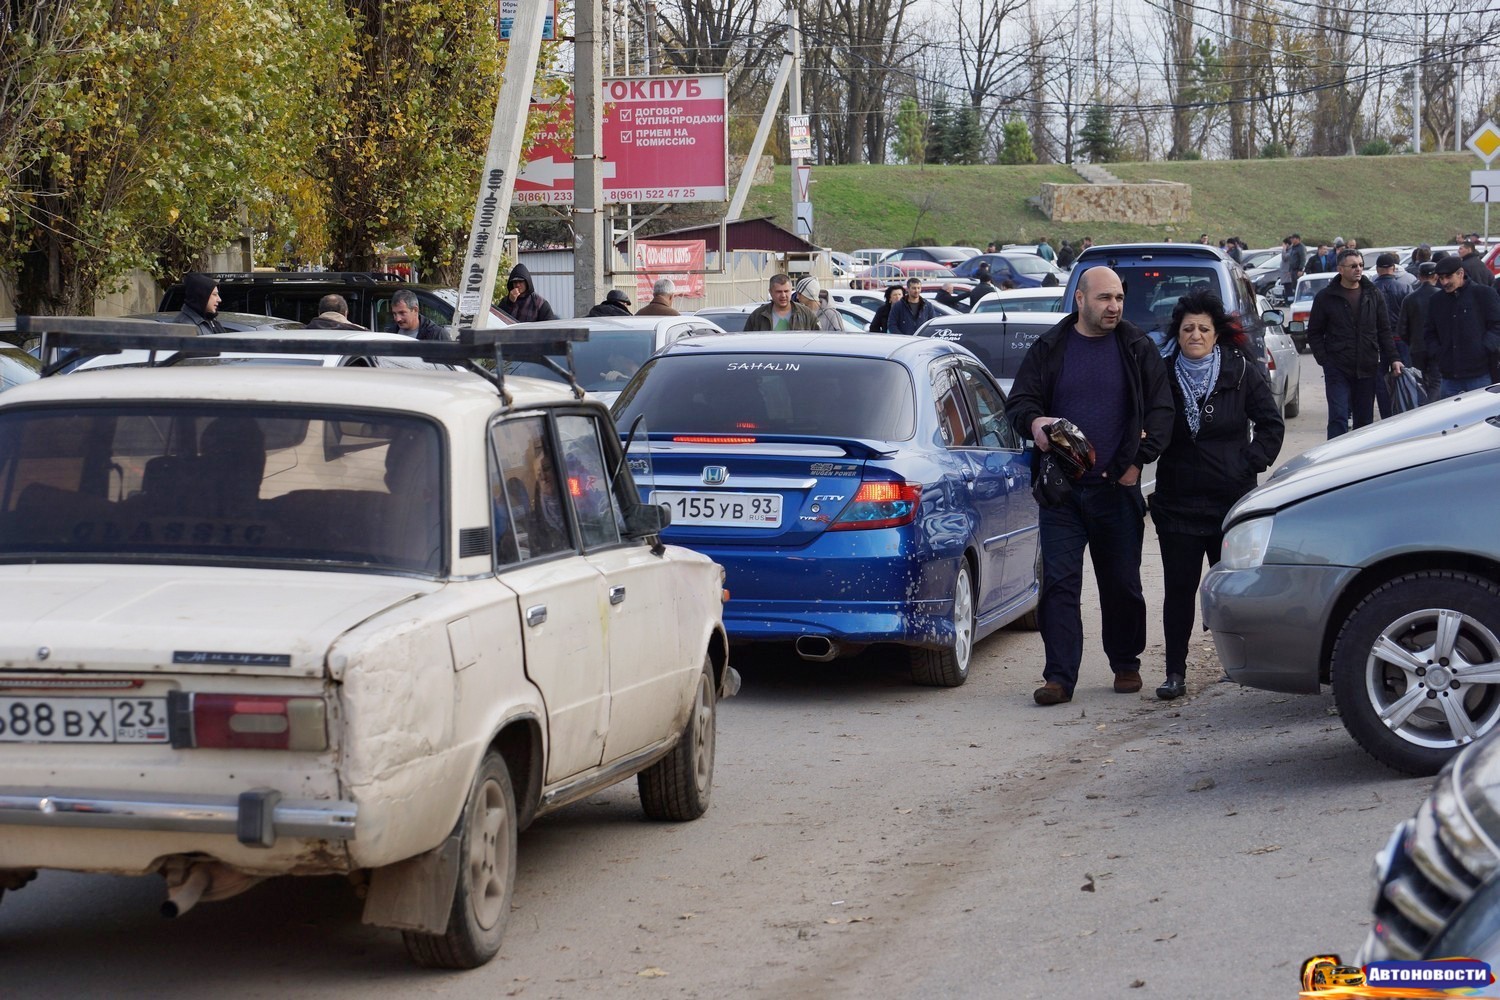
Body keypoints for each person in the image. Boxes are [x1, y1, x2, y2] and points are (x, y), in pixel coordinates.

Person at [1006, 266, 1175, 706]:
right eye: (1104, 298)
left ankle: (1126, 663)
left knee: (1121, 584)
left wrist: (1136, 463)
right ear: (1079, 299)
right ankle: (1059, 678)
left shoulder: (1137, 347)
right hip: (1062, 492)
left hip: (1117, 489)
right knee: (1060, 585)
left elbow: (1162, 411)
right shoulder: (1050, 347)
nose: (1114, 306)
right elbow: (1019, 403)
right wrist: (1036, 423)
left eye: (1118, 298)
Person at [1149, 291, 1284, 700]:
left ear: (1216, 334)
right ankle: (1175, 673)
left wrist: (1248, 463)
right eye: (1188, 328)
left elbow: (1271, 424)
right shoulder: (1162, 375)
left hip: (1230, 503)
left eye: (1203, 329)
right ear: (1178, 334)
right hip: (1178, 503)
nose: (1195, 335)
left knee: (1232, 591)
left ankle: (1238, 666)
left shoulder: (1239, 372)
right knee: (1178, 591)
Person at [1306, 249, 1404, 438]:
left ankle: (1360, 455)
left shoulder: (1373, 294)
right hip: (1337, 368)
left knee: (1364, 421)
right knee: (1339, 417)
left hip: (1367, 367)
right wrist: (1324, 360)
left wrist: (1394, 358)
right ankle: (1334, 454)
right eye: (1353, 266)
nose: (1358, 269)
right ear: (1340, 269)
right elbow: (1314, 332)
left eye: (1360, 265)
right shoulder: (1326, 297)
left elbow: (1384, 330)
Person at [1424, 255, 1500, 399]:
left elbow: (1497, 325)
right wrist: (1438, 353)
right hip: (1449, 376)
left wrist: (1484, 348)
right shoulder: (1436, 301)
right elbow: (1429, 332)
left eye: (1448, 277)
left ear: (1460, 273)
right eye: (1441, 278)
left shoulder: (1483, 294)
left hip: (1479, 374)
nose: (1444, 282)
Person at [1400, 261, 1443, 398]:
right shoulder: (1442, 296)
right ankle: (1434, 406)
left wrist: (1411, 341)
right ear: (1436, 276)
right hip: (1437, 346)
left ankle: (1424, 406)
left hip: (1417, 347)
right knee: (1437, 381)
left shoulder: (1409, 298)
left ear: (1419, 276)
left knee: (1419, 382)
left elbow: (1402, 329)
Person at [745, 273, 818, 331]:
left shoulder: (806, 314)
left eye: (786, 291)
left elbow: (817, 339)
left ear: (791, 290)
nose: (783, 295)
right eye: (779, 292)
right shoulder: (757, 316)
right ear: (770, 292)